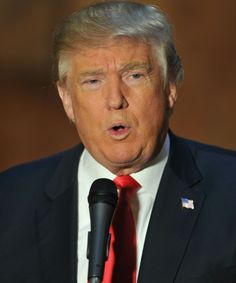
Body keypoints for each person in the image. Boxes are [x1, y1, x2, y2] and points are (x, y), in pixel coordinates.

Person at [0, 1, 236, 282]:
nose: (115, 100)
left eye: (134, 75)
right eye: (93, 81)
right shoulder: (9, 200)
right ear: (66, 99)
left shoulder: (229, 192)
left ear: (170, 86)